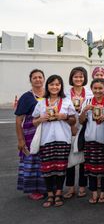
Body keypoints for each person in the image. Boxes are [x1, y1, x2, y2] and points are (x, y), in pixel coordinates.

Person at [32, 75, 76, 208]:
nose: (54, 87)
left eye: (57, 84)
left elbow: (73, 120)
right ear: (47, 86)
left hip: (63, 138)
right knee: (47, 168)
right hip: (46, 139)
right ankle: (50, 194)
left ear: (61, 86)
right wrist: (41, 119)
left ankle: (58, 193)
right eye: (52, 84)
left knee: (61, 168)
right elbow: (34, 122)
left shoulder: (67, 101)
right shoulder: (41, 102)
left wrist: (65, 116)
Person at [79, 79, 104, 204]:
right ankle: (94, 192)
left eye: (100, 88)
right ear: (91, 89)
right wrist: (85, 110)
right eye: (95, 88)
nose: (98, 91)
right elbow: (81, 121)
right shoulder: (88, 102)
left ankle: (103, 192)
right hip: (90, 140)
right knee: (91, 168)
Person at [15, 69, 46, 200]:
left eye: (40, 77)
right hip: (30, 133)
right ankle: (33, 189)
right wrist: (20, 140)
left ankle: (47, 188)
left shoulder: (50, 93)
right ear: (31, 80)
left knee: (45, 160)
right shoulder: (26, 97)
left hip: (47, 132)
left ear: (44, 79)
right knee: (32, 160)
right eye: (35, 77)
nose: (38, 79)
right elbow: (18, 120)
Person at [64, 66, 92, 199]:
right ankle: (70, 187)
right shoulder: (65, 93)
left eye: (81, 76)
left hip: (85, 128)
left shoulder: (90, 93)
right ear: (71, 78)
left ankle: (82, 186)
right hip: (69, 128)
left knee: (82, 159)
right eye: (76, 76)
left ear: (85, 78)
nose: (78, 79)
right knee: (69, 159)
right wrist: (71, 125)